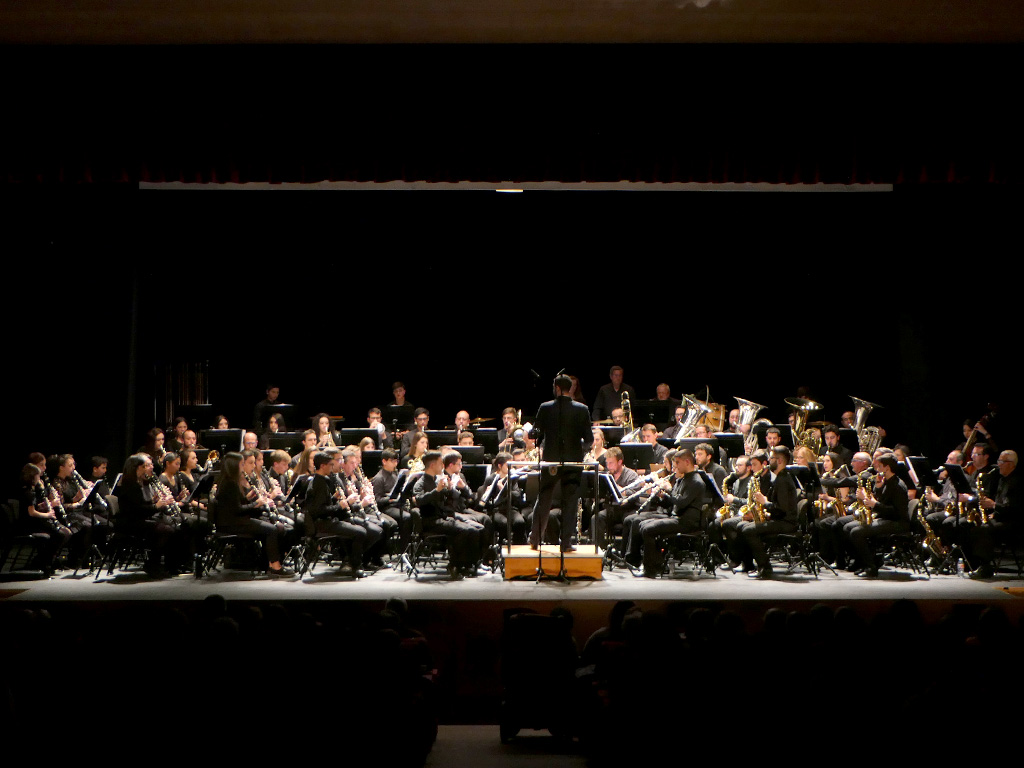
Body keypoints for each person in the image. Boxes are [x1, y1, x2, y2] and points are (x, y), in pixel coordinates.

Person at [529, 374, 594, 552]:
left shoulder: (545, 407)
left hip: (550, 461)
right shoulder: (582, 409)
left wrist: (532, 431)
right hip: (573, 462)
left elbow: (534, 433)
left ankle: (535, 538)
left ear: (557, 388)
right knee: (570, 501)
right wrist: (577, 447)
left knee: (544, 498)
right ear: (570, 388)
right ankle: (565, 543)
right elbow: (589, 440)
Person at [623, 449, 707, 577]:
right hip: (677, 517)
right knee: (642, 525)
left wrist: (669, 489)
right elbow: (673, 502)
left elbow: (681, 502)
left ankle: (651, 569)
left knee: (647, 528)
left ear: (687, 462)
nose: (676, 467)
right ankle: (655, 564)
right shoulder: (683, 478)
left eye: (678, 463)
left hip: (687, 522)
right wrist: (663, 496)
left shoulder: (696, 482)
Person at [212, 452, 291, 576]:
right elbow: (236, 510)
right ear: (234, 466)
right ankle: (274, 566)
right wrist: (256, 504)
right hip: (231, 523)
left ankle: (268, 563)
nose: (243, 467)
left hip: (237, 519)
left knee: (275, 526)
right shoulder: (229, 483)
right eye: (242, 464)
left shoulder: (232, 481)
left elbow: (236, 504)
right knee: (271, 529)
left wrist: (248, 498)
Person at [412, 450, 484, 577]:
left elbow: (455, 496)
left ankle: (468, 565)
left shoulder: (439, 479)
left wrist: (450, 488)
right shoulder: (421, 483)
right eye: (441, 463)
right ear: (432, 465)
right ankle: (454, 565)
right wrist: (437, 490)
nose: (443, 466)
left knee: (475, 529)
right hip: (431, 521)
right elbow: (419, 500)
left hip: (444, 517)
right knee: (464, 530)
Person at [736, 445, 799, 578]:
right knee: (742, 525)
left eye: (771, 458)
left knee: (748, 530)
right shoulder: (779, 478)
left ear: (780, 461)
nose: (769, 461)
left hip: (786, 522)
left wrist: (765, 503)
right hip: (779, 518)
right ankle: (748, 565)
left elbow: (782, 509)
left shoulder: (783, 480)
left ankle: (765, 567)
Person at [845, 453, 910, 578]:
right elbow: (882, 502)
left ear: (887, 467)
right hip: (885, 518)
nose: (877, 469)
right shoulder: (886, 482)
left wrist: (875, 504)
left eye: (879, 466)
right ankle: (861, 563)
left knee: (856, 532)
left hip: (898, 523)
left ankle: (871, 567)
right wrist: (877, 490)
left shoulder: (898, 486)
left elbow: (897, 512)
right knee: (848, 527)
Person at [304, 451, 367, 575]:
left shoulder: (321, 480)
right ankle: (355, 567)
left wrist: (333, 498)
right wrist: (340, 505)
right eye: (330, 465)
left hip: (326, 520)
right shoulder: (319, 483)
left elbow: (322, 504)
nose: (332, 468)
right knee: (360, 533)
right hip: (322, 523)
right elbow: (318, 511)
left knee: (356, 528)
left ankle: (351, 563)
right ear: (322, 466)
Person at [968, 451, 1020, 578]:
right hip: (1002, 518)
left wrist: (993, 506)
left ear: (1011, 464)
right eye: (998, 461)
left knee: (985, 529)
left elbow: (1014, 509)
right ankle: (974, 562)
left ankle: (986, 566)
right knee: (974, 525)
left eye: (1001, 462)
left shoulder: (1017, 482)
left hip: (1014, 522)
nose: (998, 465)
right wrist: (993, 514)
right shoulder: (1001, 479)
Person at [591, 446, 640, 547]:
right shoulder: (607, 475)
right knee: (596, 518)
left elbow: (634, 493)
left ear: (619, 462)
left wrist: (617, 488)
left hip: (628, 509)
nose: (608, 466)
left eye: (611, 463)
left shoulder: (631, 475)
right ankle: (599, 550)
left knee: (630, 520)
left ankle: (625, 553)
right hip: (612, 508)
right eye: (607, 463)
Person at [477, 452, 527, 545]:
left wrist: (504, 490)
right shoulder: (491, 478)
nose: (511, 468)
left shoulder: (512, 478)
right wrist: (490, 492)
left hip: (510, 509)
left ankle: (517, 547)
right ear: (500, 466)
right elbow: (484, 501)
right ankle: (501, 546)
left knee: (520, 522)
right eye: (508, 465)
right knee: (503, 523)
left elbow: (516, 495)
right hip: (495, 510)